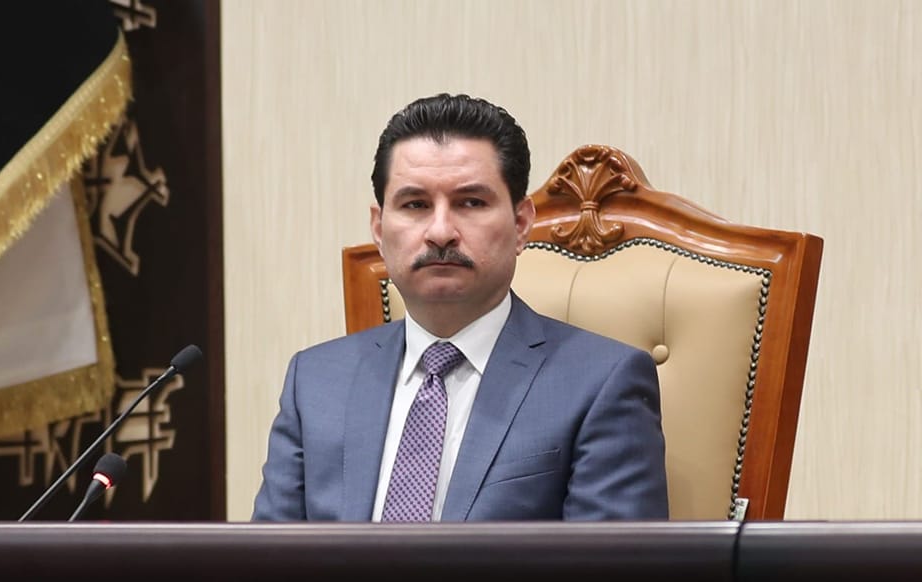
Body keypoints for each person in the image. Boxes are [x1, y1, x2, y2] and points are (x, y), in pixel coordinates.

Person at [252, 93, 668, 521]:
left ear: (521, 224)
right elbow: (267, 555)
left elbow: (609, 557)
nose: (440, 232)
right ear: (378, 228)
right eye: (415, 205)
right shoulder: (315, 382)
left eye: (471, 203)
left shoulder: (601, 383)